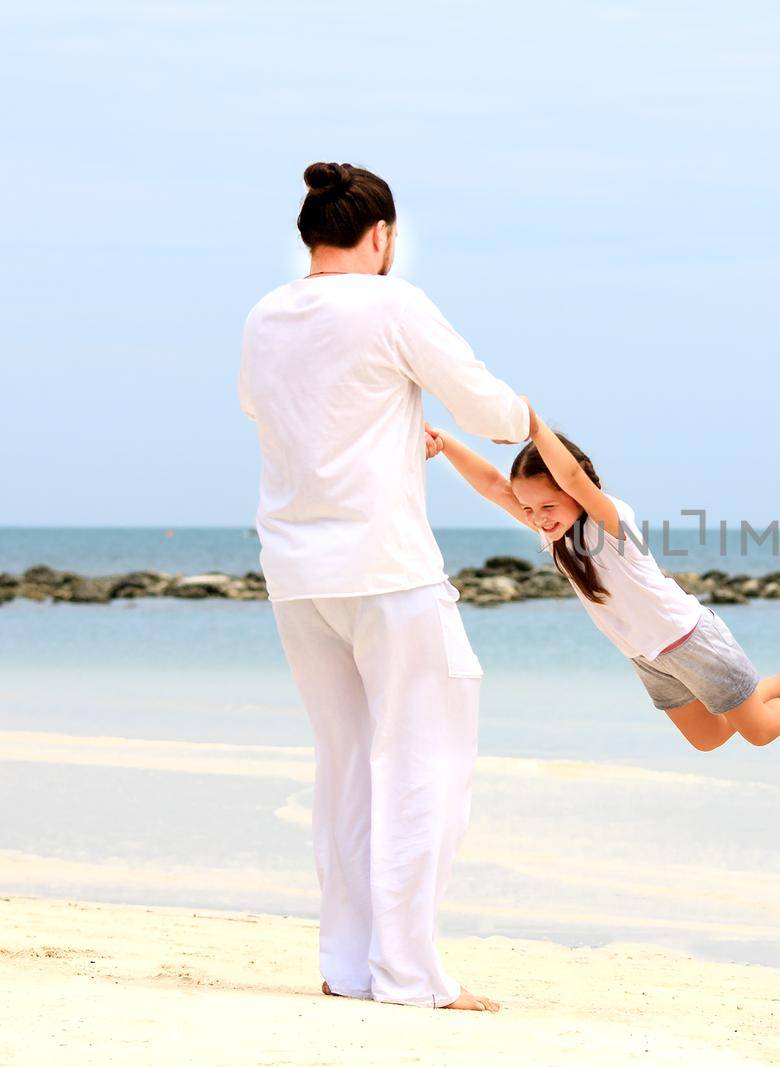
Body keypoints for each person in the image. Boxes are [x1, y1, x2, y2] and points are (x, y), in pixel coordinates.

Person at [239, 161, 528, 1011]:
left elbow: (263, 408)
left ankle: (350, 962)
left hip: (296, 571)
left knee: (346, 764)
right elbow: (492, 411)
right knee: (424, 761)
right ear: (382, 237)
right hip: (387, 568)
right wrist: (529, 423)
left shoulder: (265, 314)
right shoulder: (393, 302)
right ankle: (410, 973)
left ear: (310, 236)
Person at [426, 413, 780, 753]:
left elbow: (572, 478)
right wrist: (442, 441)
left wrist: (535, 427)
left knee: (757, 732)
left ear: (580, 491)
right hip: (646, 656)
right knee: (707, 738)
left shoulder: (611, 524)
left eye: (547, 505)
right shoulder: (555, 535)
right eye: (530, 508)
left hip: (689, 641)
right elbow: (495, 487)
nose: (538, 516)